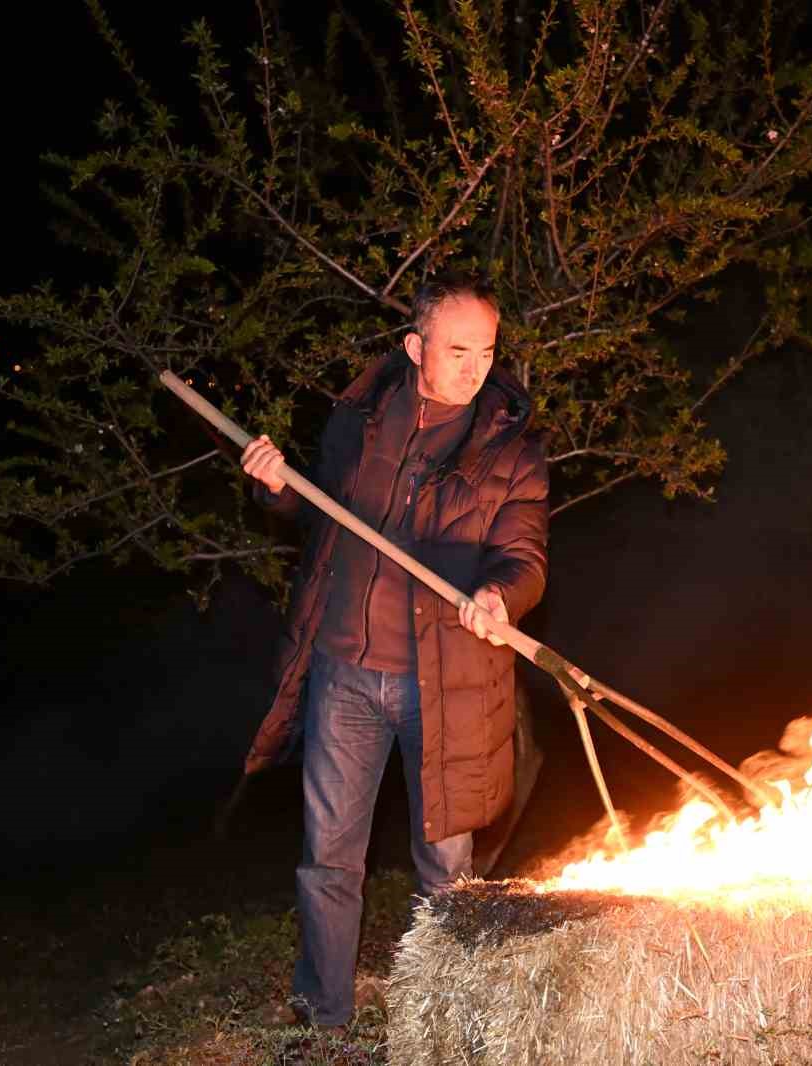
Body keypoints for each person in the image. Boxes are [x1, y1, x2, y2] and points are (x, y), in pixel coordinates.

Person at [238, 273, 549, 1027]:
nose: (475, 368)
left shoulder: (510, 447)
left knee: (446, 870)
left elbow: (526, 555)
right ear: (416, 347)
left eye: (486, 351)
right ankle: (323, 1016)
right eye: (456, 350)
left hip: (447, 682)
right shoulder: (359, 419)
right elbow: (319, 514)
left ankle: (440, 1022)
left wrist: (500, 596)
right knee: (328, 861)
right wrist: (277, 488)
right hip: (344, 673)